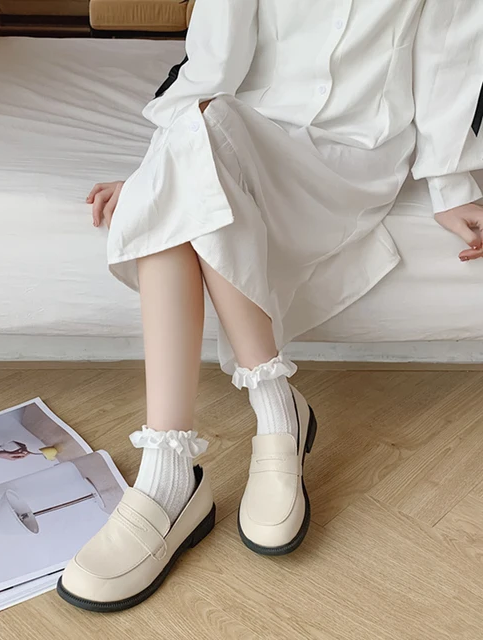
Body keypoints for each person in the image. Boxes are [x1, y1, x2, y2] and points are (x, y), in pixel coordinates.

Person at [56, 0, 483, 611]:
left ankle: (201, 465)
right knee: (195, 134)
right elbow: (213, 58)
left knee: (182, 169)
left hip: (357, 152)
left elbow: (448, 53)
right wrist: (159, 168)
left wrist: (449, 184)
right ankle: (204, 447)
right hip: (255, 127)